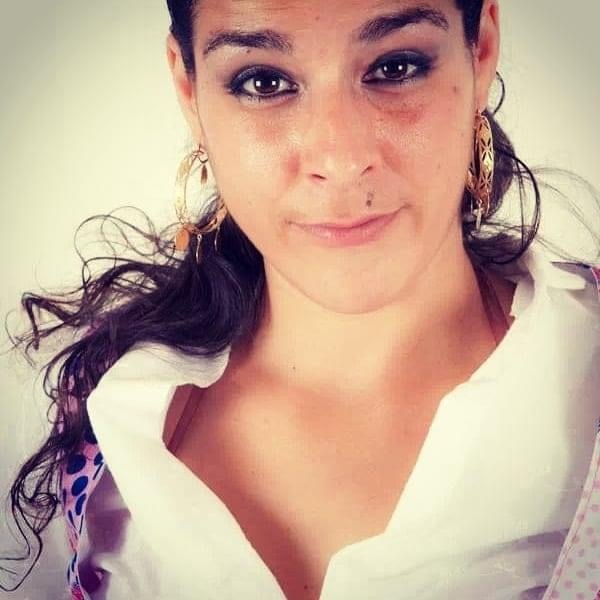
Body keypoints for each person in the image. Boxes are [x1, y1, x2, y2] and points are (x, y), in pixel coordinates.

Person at [1, 0, 600, 599]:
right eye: (263, 82)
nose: (340, 161)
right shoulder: (99, 408)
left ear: (482, 50)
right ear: (189, 89)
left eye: (395, 67)